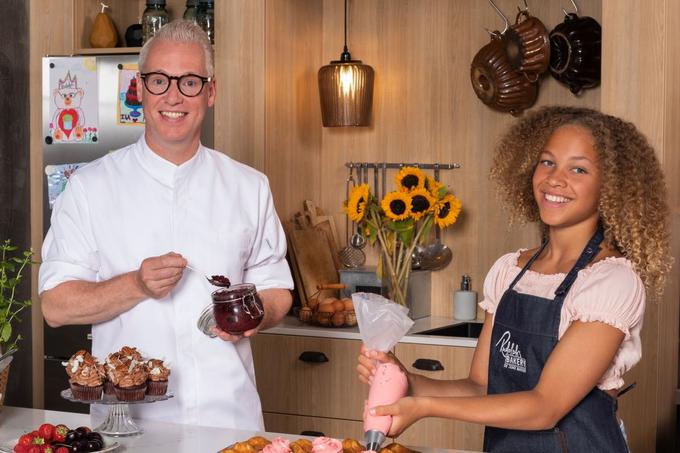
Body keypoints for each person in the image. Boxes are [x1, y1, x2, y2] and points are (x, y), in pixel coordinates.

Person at [357, 106, 672, 452]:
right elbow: (481, 386)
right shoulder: (511, 271)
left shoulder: (610, 283)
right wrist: (408, 382)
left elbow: (544, 407)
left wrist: (425, 407)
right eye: (547, 162)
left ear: (611, 187)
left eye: (578, 169)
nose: (554, 179)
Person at [39, 20, 293, 429]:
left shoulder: (249, 187)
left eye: (189, 82)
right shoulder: (89, 187)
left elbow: (277, 289)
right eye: (159, 80)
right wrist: (136, 285)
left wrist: (254, 315)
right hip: (128, 427)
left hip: (228, 419)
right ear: (138, 89)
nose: (173, 95)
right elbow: (55, 305)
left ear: (211, 91)